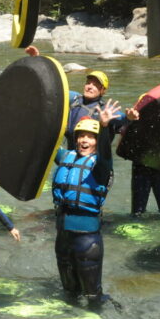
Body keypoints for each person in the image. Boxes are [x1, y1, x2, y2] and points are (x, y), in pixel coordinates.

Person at [52, 102, 120, 307]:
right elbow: (46, 142)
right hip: (62, 236)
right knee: (68, 293)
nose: (84, 140)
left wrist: (105, 127)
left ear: (97, 141)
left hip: (87, 240)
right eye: (81, 136)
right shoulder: (67, 156)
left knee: (92, 296)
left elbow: (106, 153)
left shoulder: (101, 165)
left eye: (90, 137)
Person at [124, 99, 160, 216]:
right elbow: (125, 145)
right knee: (137, 212)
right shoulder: (134, 122)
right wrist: (129, 121)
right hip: (140, 167)